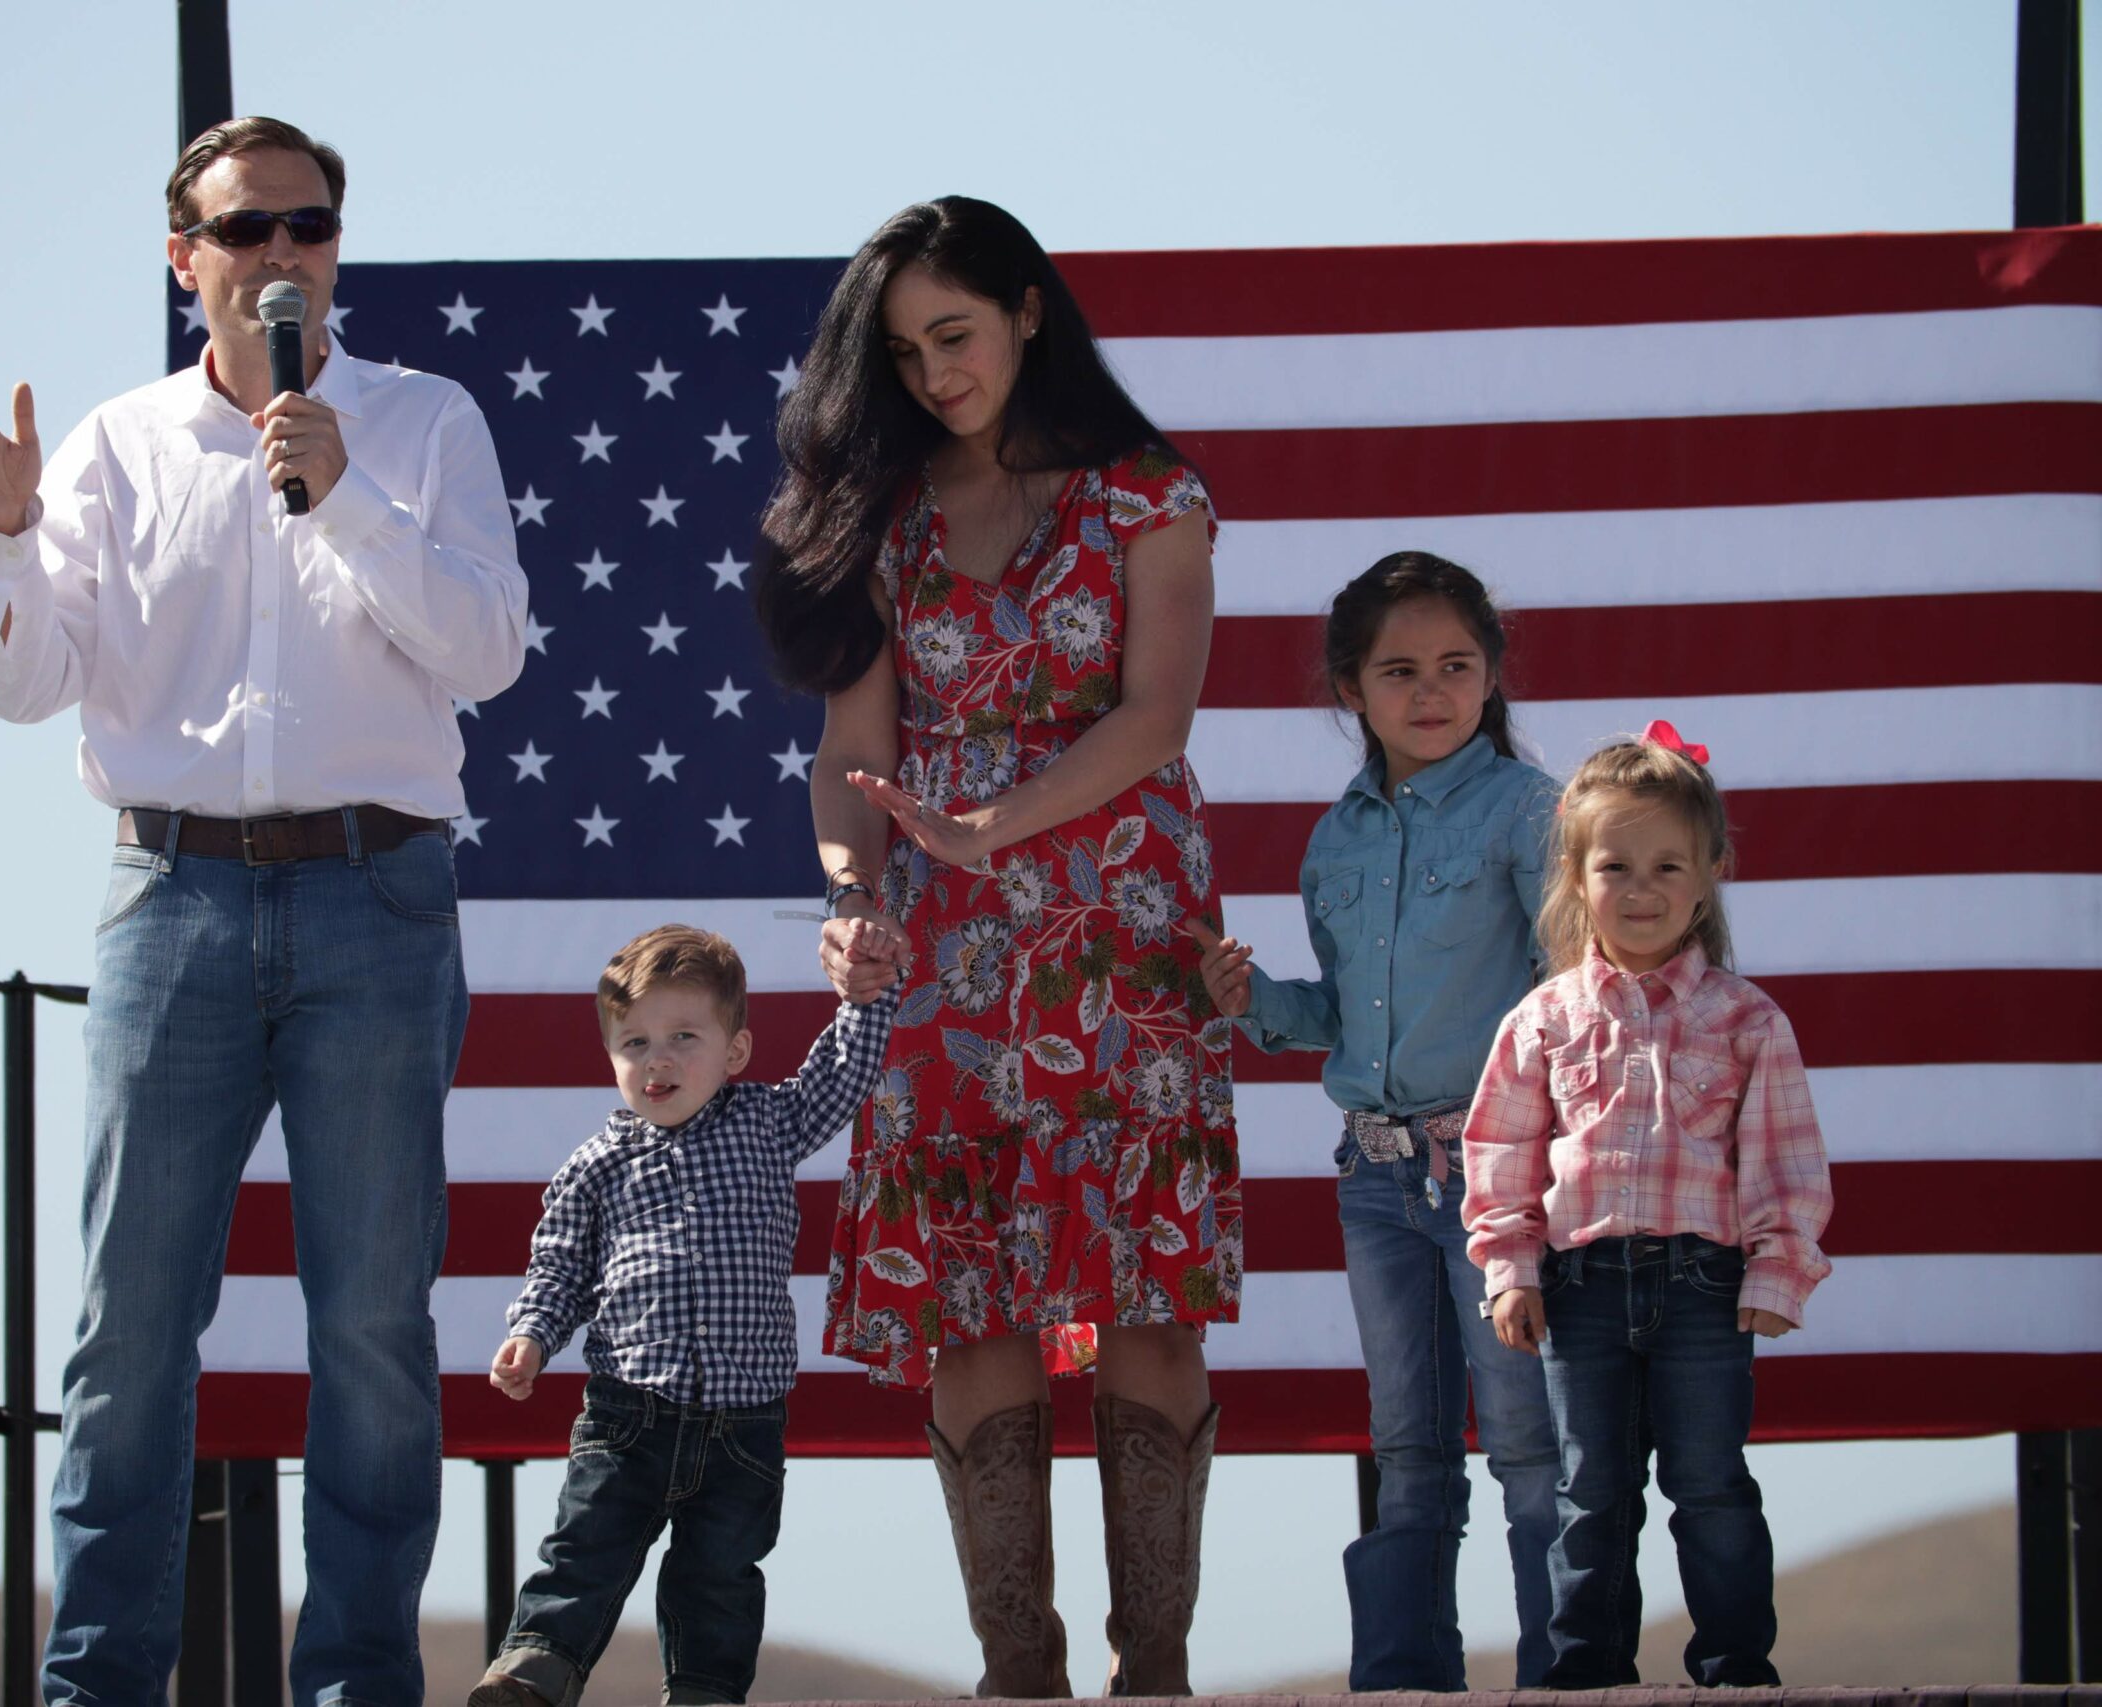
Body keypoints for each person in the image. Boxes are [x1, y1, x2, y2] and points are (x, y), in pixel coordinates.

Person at [0, 116, 528, 1707]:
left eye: (311, 227)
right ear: (183, 256)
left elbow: (488, 649)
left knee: (374, 1332)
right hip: (172, 896)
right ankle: (100, 1681)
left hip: (378, 896)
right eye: (248, 228)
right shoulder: (116, 446)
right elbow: (29, 683)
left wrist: (337, 493)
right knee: (129, 1328)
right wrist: (1, 529)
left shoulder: (421, 422)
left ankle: (355, 1685)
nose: (283, 255)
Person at [755, 195, 1238, 1697]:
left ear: (1029, 310)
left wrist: (998, 821)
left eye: (953, 335)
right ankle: (1016, 1669)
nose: (933, 373)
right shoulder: (884, 519)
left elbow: (1158, 715)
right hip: (952, 957)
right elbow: (852, 751)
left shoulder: (1152, 494)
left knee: (1147, 1301)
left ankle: (1151, 1667)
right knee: (973, 1305)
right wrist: (854, 892)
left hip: (1129, 925)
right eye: (902, 354)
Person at [1193, 552, 1563, 1690]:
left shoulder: (1531, 814)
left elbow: (1575, 994)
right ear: (1348, 689)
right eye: (1397, 670)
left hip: (1505, 1175)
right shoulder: (1336, 841)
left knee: (1529, 1445)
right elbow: (1345, 1015)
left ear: (1493, 674)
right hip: (1377, 1176)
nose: (1430, 691)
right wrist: (1252, 1001)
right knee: (1406, 1445)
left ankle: (1571, 1669)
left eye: (1456, 665)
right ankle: (1403, 1674)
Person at [1462, 724, 1833, 1688]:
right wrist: (1510, 1268)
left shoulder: (1747, 1020)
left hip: (1708, 1287)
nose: (1641, 888)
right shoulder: (1543, 1018)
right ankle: (1586, 1673)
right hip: (1580, 1289)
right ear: (1576, 876)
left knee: (1710, 1486)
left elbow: (1784, 1159)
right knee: (1590, 1493)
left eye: (1668, 863)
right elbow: (1501, 1150)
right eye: (1615, 864)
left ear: (1711, 871)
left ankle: (1735, 1665)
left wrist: (1778, 1268)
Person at [471, 923, 903, 1707]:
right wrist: (531, 1336)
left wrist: (867, 992)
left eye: (682, 1036)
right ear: (610, 1056)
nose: (657, 1059)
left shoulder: (769, 1123)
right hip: (629, 1410)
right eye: (634, 1041)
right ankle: (536, 1666)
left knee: (721, 1576)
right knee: (586, 1545)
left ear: (734, 1051)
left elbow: (844, 1071)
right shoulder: (596, 1165)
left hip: (745, 1422)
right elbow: (559, 1269)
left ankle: (706, 1691)